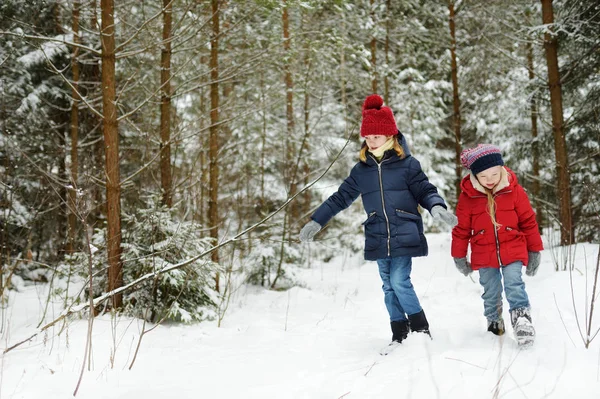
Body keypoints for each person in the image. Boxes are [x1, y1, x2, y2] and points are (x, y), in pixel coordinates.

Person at [299, 94, 457, 347]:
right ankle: (399, 332)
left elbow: (425, 190)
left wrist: (436, 207)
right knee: (387, 286)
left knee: (399, 281)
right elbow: (340, 198)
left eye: (376, 136)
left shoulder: (408, 165)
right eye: (368, 137)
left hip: (404, 230)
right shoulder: (361, 170)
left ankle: (420, 329)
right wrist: (317, 221)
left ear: (390, 136)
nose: (371, 141)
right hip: (377, 234)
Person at [451, 144, 543, 347]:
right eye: (483, 177)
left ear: (501, 169)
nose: (490, 180)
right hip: (483, 252)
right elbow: (461, 230)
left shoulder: (514, 191)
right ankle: (494, 321)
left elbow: (528, 221)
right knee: (491, 290)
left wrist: (534, 249)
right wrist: (459, 256)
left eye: (494, 174)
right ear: (475, 176)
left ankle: (522, 320)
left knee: (513, 283)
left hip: (513, 247)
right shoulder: (468, 198)